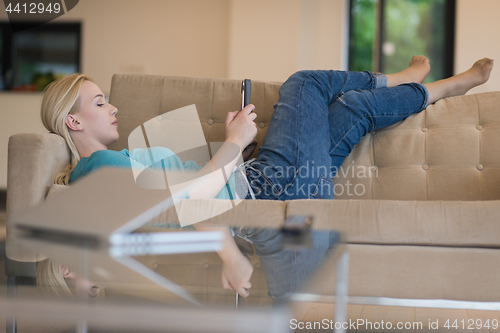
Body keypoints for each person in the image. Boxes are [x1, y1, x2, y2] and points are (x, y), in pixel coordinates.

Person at [40, 56, 494, 300]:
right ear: (74, 124)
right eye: (100, 103)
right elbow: (188, 199)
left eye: (104, 100)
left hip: (271, 185)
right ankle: (402, 78)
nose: (114, 107)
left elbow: (184, 199)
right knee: (305, 83)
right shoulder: (97, 171)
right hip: (270, 189)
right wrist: (234, 142)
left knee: (350, 109)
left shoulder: (102, 173)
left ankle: (437, 88)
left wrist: (236, 151)